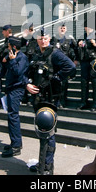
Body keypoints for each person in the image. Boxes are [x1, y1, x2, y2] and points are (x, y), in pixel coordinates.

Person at [26, 28, 76, 174]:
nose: (43, 40)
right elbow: (27, 72)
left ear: (49, 38)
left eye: (45, 37)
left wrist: (56, 78)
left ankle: (48, 167)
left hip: (50, 98)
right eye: (40, 38)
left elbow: (71, 67)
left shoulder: (55, 53)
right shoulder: (35, 54)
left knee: (48, 132)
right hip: (38, 98)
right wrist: (27, 84)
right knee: (41, 132)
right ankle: (42, 163)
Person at [1, 36, 29, 157]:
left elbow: (18, 72)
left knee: (13, 116)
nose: (7, 48)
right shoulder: (12, 56)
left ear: (14, 47)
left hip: (17, 89)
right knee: (11, 115)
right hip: (10, 88)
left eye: (9, 46)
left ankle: (16, 146)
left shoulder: (22, 58)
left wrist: (12, 60)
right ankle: (14, 142)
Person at [76, 26, 96, 111]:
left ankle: (95, 103)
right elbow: (77, 47)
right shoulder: (82, 36)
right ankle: (83, 102)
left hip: (95, 61)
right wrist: (79, 44)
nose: (88, 27)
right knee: (84, 82)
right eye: (86, 26)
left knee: (95, 82)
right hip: (84, 61)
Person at [51, 23, 78, 108]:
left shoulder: (69, 38)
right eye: (60, 28)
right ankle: (56, 100)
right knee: (55, 82)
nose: (62, 29)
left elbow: (77, 49)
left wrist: (76, 60)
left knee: (64, 83)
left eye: (63, 28)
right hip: (55, 65)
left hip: (65, 65)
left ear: (66, 29)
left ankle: (63, 101)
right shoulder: (54, 38)